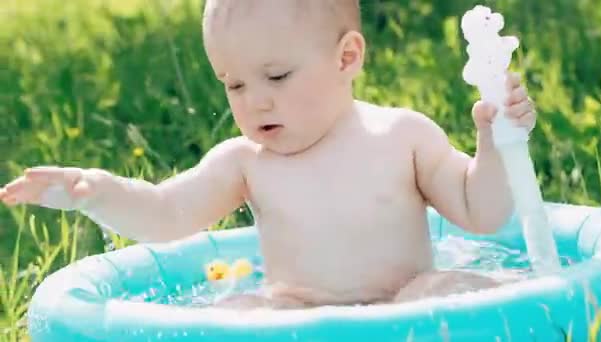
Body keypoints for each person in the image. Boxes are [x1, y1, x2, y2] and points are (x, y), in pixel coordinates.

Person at [0, 0, 537, 309]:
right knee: (243, 310)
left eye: (276, 76)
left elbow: (482, 213)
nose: (254, 100)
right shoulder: (246, 162)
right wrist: (95, 192)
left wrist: (496, 143)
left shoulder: (402, 135)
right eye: (233, 85)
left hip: (406, 313)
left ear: (347, 57)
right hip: (298, 315)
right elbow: (166, 214)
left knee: (445, 287)